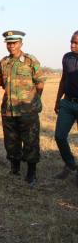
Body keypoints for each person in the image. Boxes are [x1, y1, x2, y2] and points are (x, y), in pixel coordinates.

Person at [0, 31, 45, 185]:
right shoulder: (3, 62)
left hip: (28, 110)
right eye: (9, 43)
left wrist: (32, 100)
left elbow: (39, 82)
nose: (11, 46)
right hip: (9, 110)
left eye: (15, 43)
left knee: (30, 141)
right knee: (11, 142)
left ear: (21, 43)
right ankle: (15, 168)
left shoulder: (31, 61)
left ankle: (31, 173)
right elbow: (2, 83)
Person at [54, 30, 78, 185]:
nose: (72, 45)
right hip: (68, 103)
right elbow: (63, 79)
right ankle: (70, 164)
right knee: (59, 136)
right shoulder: (67, 57)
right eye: (71, 41)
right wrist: (57, 100)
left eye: (76, 43)